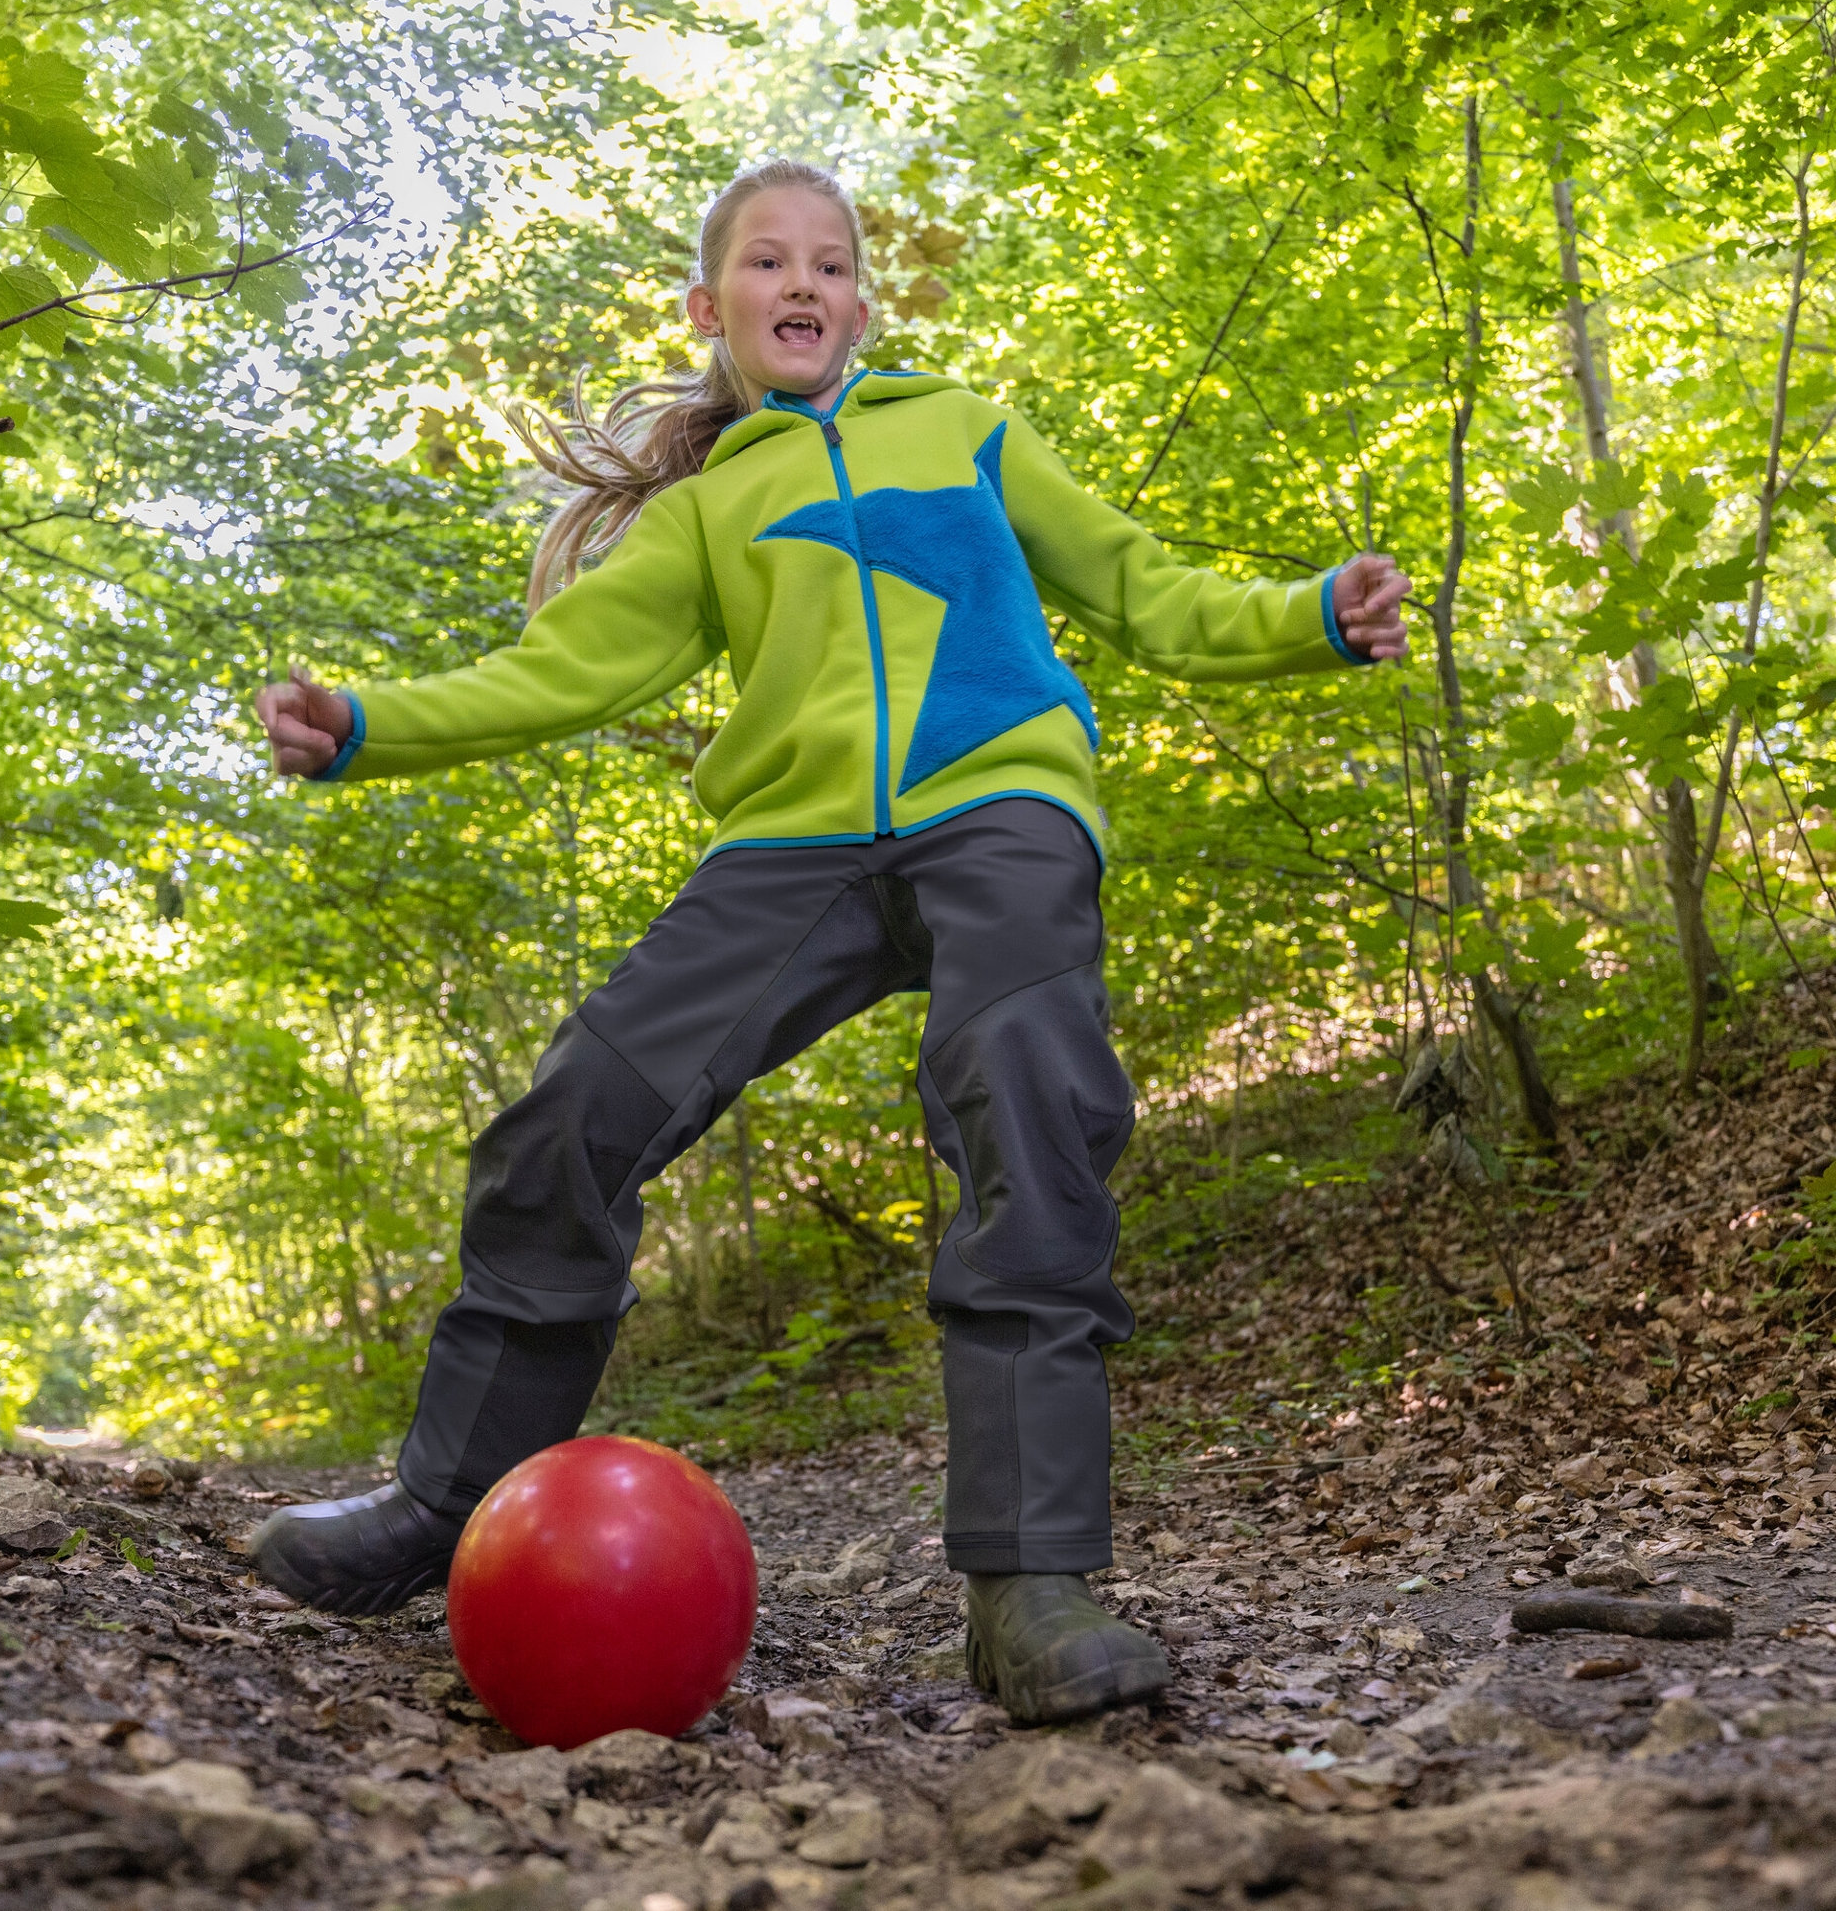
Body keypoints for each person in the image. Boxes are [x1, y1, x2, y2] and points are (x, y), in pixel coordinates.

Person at [248, 158, 1411, 1723]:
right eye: (768, 263)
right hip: (788, 847)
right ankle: (447, 1507)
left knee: (1028, 1091)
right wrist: (367, 724)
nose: (804, 284)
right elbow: (559, 671)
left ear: (863, 303)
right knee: (568, 1117)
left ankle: (1029, 1585)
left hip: (1000, 809)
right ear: (710, 305)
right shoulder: (711, 507)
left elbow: (1145, 590)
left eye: (833, 265)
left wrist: (1309, 615)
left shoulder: (965, 433)